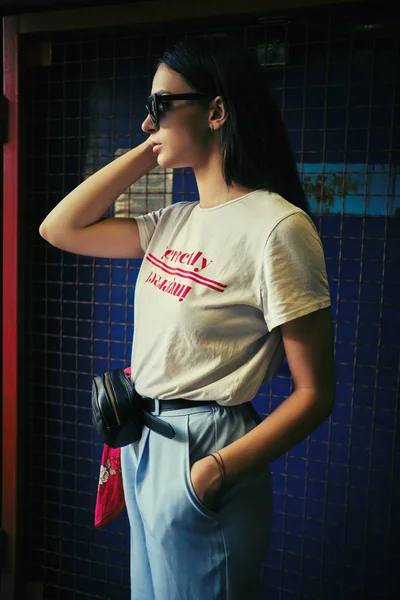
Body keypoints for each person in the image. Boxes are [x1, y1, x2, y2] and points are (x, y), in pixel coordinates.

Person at [39, 33, 335, 600]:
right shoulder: (173, 219)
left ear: (217, 110)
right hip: (141, 440)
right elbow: (60, 228)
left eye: (159, 106)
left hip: (206, 451)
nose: (148, 124)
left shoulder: (277, 227)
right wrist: (153, 142)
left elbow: (315, 392)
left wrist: (214, 471)